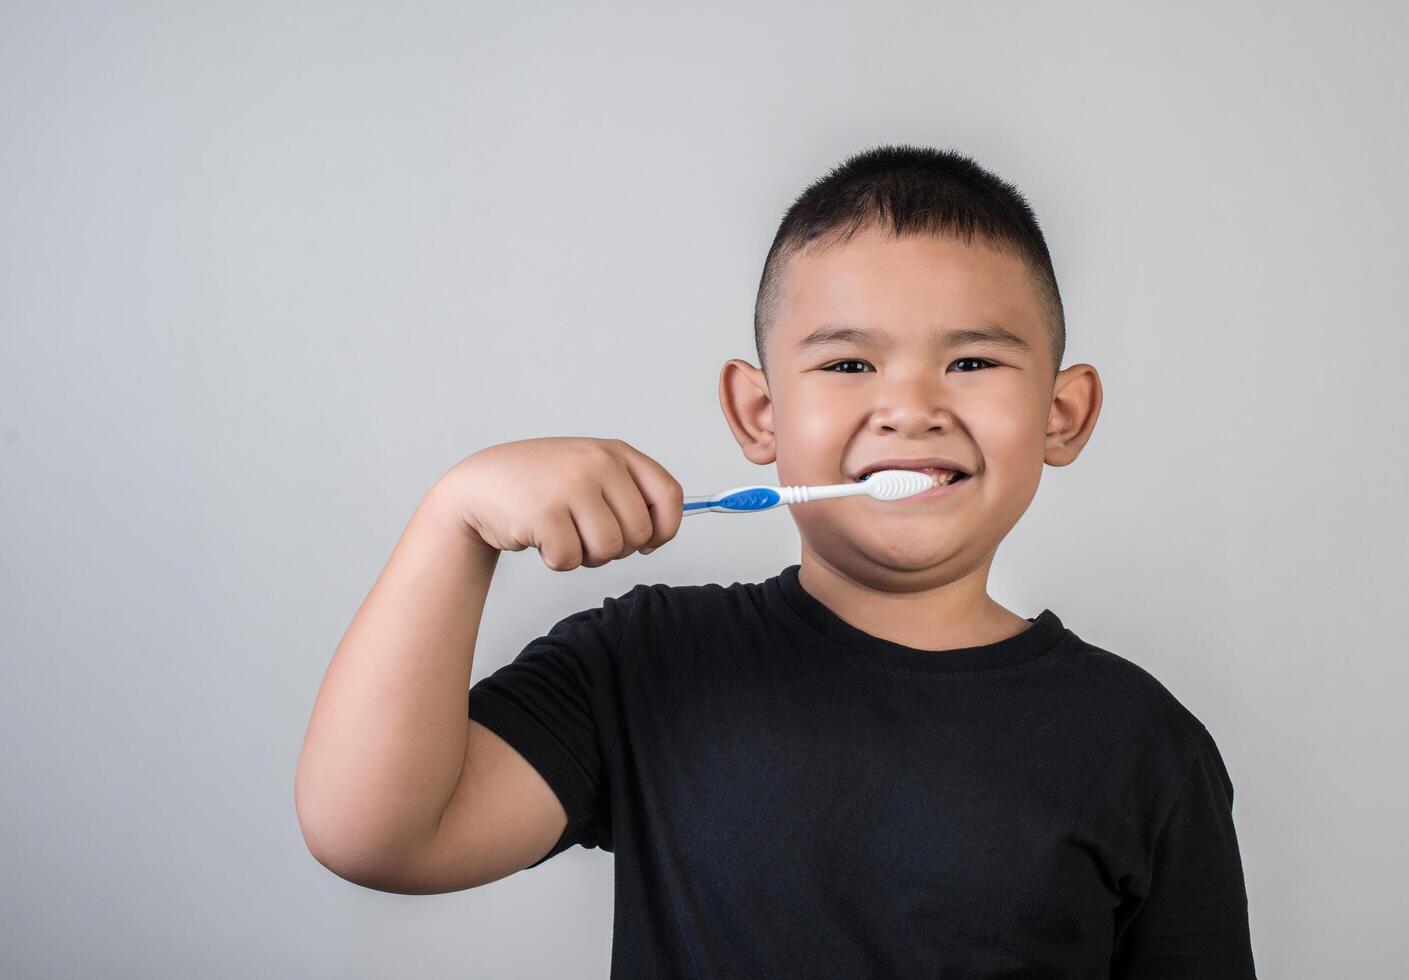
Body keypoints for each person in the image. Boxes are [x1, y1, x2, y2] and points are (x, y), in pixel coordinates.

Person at [295, 144, 1257, 977]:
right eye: (847, 364)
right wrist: (452, 523)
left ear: (1062, 414)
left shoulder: (1144, 747)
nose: (910, 406)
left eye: (971, 362)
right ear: (759, 415)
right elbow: (377, 834)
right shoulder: (651, 662)